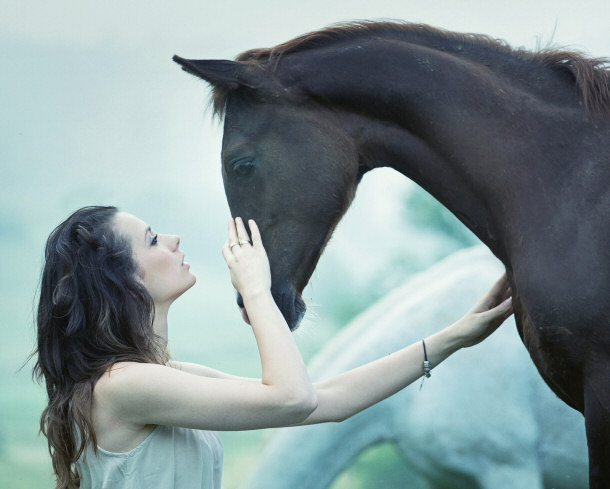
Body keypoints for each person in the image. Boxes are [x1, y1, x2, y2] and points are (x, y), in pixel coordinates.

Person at [34, 205, 513, 489]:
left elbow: (325, 402)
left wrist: (454, 337)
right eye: (154, 240)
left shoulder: (161, 378)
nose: (174, 239)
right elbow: (292, 397)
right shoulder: (123, 386)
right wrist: (257, 291)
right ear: (124, 278)